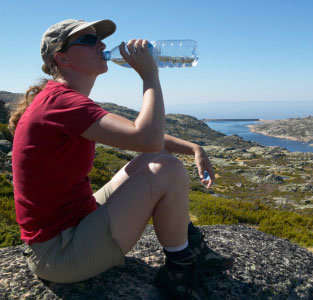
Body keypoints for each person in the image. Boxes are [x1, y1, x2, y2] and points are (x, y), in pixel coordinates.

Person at [10, 19, 233, 299]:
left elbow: (139, 135)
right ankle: (180, 269)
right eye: (89, 40)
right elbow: (147, 137)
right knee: (167, 168)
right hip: (60, 254)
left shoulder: (60, 99)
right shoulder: (61, 102)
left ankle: (190, 245)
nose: (101, 45)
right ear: (62, 57)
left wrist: (194, 148)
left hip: (73, 226)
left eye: (99, 38)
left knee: (155, 159)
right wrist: (150, 75)